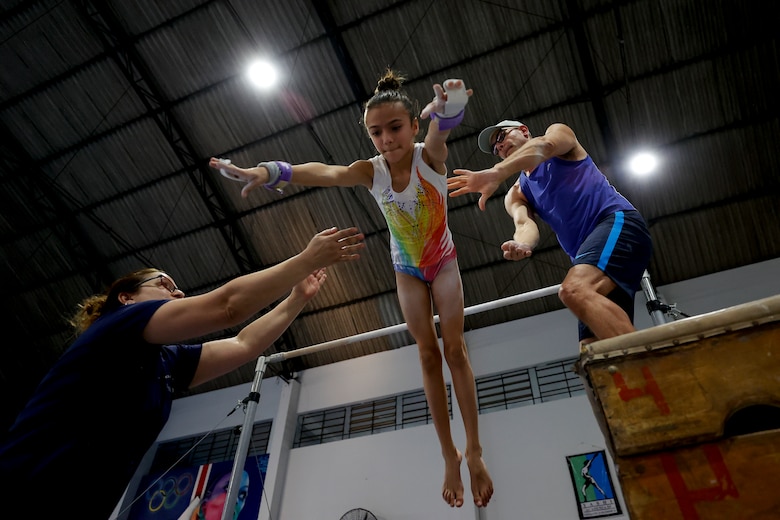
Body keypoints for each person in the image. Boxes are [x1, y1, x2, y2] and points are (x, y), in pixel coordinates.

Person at [209, 70, 493, 509]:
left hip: (444, 263)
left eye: (395, 128)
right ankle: (448, 455)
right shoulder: (371, 171)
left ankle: (473, 450)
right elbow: (324, 172)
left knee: (454, 350)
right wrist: (267, 171)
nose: (386, 139)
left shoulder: (427, 157)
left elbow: (440, 139)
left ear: (413, 125)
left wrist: (449, 110)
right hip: (406, 270)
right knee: (425, 354)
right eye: (376, 132)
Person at [0, 226, 365, 520]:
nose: (178, 292)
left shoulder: (166, 362)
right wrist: (303, 261)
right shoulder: (118, 325)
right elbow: (228, 307)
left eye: (177, 288)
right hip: (24, 487)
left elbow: (242, 345)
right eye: (164, 284)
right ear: (125, 297)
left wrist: (297, 298)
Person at [447, 120, 652, 347]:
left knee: (574, 290)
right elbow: (524, 225)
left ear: (523, 130)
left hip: (616, 223)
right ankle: (645, 379)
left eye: (501, 137)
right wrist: (523, 244)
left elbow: (544, 146)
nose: (500, 147)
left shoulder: (558, 135)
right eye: (496, 149)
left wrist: (496, 173)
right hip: (587, 254)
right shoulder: (516, 192)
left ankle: (649, 365)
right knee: (591, 348)